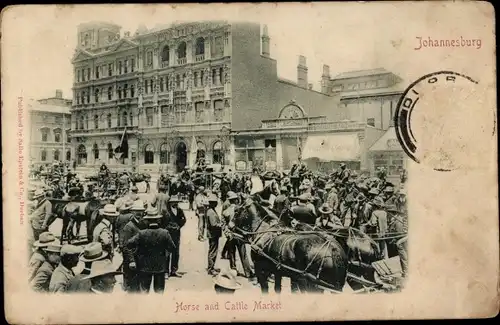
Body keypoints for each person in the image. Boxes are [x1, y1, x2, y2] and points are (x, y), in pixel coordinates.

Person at [127, 208, 176, 294]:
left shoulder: (141, 233)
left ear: (147, 221)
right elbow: (172, 248)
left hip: (144, 267)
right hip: (160, 267)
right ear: (158, 220)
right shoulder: (165, 233)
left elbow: (129, 245)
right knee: (159, 292)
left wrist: (135, 257)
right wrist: (165, 254)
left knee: (144, 292)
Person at [120, 200, 147, 292]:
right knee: (133, 286)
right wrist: (131, 260)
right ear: (132, 212)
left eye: (141, 211)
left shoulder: (143, 224)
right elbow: (126, 246)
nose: (139, 213)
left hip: (141, 258)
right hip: (132, 260)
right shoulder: (129, 227)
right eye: (136, 211)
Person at [162, 196, 186, 277]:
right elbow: (162, 222)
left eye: (176, 202)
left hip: (177, 233)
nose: (175, 203)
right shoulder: (165, 211)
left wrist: (179, 225)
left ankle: (174, 270)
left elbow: (184, 219)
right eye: (173, 202)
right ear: (170, 203)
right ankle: (165, 271)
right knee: (167, 253)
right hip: (168, 234)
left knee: (176, 252)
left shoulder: (179, 210)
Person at [206, 194, 222, 276]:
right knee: (213, 251)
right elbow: (213, 224)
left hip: (213, 234)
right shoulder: (211, 212)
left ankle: (211, 267)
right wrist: (221, 224)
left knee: (213, 251)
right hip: (213, 234)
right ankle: (210, 269)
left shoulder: (211, 210)